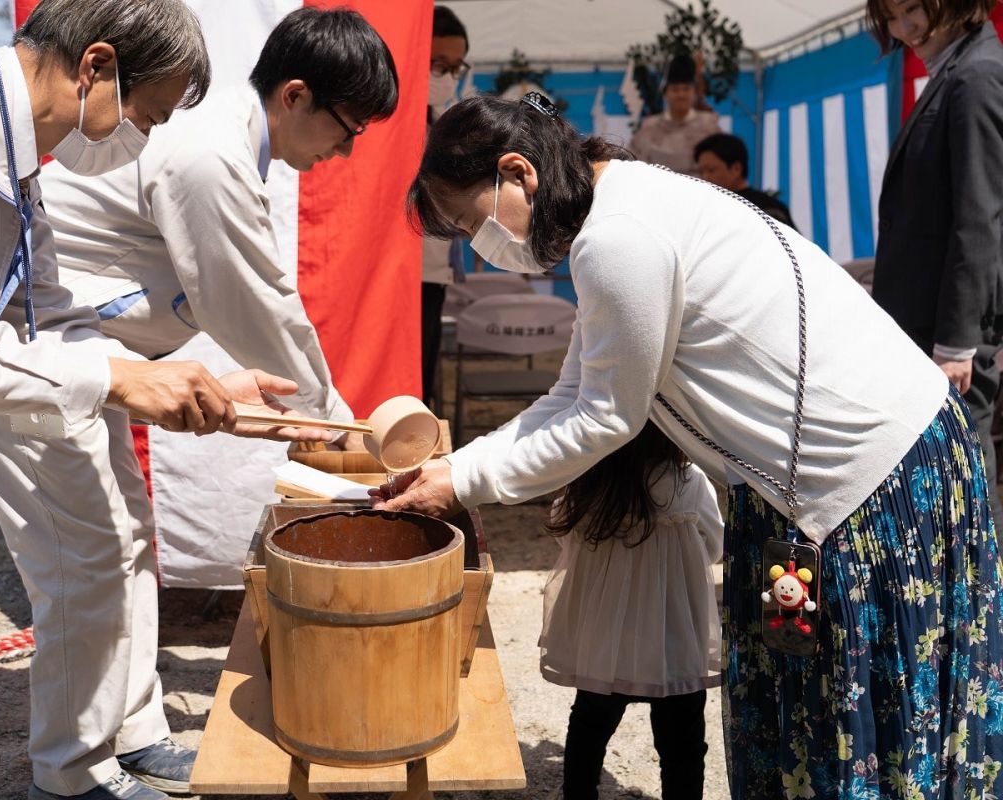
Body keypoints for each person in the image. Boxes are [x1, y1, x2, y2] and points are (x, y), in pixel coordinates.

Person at [376, 92, 1003, 798]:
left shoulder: (617, 238)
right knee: (797, 713)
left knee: (852, 727)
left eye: (470, 223)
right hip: (802, 493)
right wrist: (458, 467)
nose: (477, 246)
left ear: (518, 173)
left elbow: (603, 419)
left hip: (871, 484)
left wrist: (461, 483)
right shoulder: (621, 203)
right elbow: (575, 392)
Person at [0, 0, 325, 796]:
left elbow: (43, 312)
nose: (142, 143)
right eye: (144, 116)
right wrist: (124, 378)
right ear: (97, 67)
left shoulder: (10, 155)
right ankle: (73, 768)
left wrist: (200, 386)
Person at [0, 8, 398, 800]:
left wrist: (326, 422)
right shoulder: (210, 154)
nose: (346, 150)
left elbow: (258, 303)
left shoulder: (232, 149)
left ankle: (132, 736)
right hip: (34, 357)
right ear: (296, 95)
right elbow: (257, 307)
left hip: (85, 358)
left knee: (126, 541)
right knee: (82, 560)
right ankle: (72, 772)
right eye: (348, 127)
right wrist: (341, 431)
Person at [868, 0, 1003, 541]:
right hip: (924, 334)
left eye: (913, 10)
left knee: (959, 492)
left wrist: (956, 344)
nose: (904, 31)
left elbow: (980, 218)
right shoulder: (956, 71)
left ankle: (976, 616)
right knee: (937, 493)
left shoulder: (976, 77)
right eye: (891, 18)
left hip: (945, 343)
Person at [540, 422, 722, 800]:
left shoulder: (590, 480)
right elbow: (715, 545)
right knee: (683, 739)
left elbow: (565, 535)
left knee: (590, 723)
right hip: (673, 632)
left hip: (607, 635)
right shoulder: (688, 481)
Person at [421, 5, 470, 408]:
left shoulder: (441, 119)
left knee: (422, 377)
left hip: (432, 269)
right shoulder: (388, 121)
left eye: (456, 67)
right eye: (439, 64)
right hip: (398, 272)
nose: (447, 76)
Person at [628, 53, 720, 175]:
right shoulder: (649, 127)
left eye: (686, 89)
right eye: (675, 89)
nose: (681, 95)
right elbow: (635, 165)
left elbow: (717, 170)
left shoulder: (709, 127)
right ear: (665, 94)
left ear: (694, 93)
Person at [694, 132, 796, 228]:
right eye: (701, 172)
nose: (705, 177)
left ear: (736, 169)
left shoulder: (766, 209)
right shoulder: (705, 210)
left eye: (711, 170)